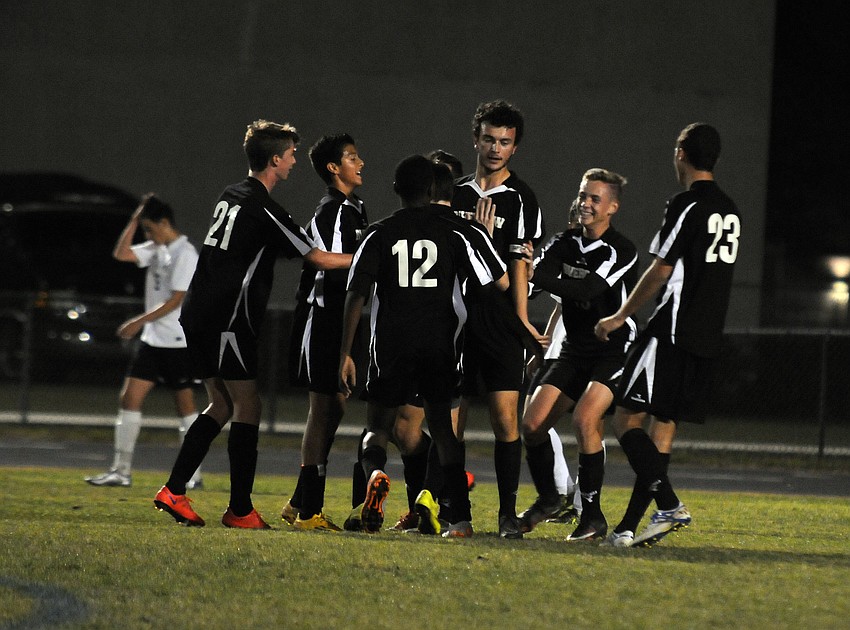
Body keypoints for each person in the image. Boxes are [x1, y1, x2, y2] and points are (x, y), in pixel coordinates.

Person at [153, 119, 351, 528]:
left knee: (222, 403)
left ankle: (174, 490)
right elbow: (317, 257)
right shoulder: (264, 207)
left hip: (197, 314)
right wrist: (368, 259)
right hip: (228, 318)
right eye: (291, 154)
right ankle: (239, 509)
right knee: (248, 404)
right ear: (275, 160)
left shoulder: (231, 195)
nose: (295, 161)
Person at [339, 156, 509, 538]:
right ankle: (458, 518)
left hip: (391, 347)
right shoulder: (456, 231)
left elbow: (356, 295)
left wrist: (345, 353)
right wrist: (521, 334)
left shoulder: (379, 233)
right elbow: (493, 287)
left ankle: (377, 473)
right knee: (444, 433)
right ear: (432, 191)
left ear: (397, 189)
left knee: (377, 428)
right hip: (439, 347)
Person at [594, 123, 741, 548]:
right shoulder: (731, 209)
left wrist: (620, 315)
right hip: (707, 335)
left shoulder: (686, 204)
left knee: (625, 419)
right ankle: (628, 528)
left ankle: (671, 504)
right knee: (662, 434)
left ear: (681, 152)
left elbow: (661, 268)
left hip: (673, 331)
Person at [520, 168, 638, 541]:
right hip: (574, 348)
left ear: (612, 207)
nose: (586, 203)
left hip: (613, 349)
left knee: (586, 420)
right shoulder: (564, 241)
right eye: (583, 195)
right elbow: (535, 285)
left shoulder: (622, 249)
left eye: (595, 199)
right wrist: (532, 274)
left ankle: (592, 515)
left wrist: (540, 274)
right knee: (532, 425)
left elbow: (587, 288)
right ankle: (549, 499)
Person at [452, 100, 546, 538]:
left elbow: (519, 271)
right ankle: (456, 513)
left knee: (505, 421)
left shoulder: (522, 198)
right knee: (449, 421)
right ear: (476, 139)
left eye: (505, 142)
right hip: (455, 321)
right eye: (489, 138)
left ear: (515, 149)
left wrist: (523, 324)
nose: (495, 148)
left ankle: (507, 515)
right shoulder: (455, 193)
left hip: (499, 324)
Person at [279, 133, 368, 532]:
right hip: (322, 317)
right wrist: (371, 258)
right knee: (323, 410)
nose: (360, 162)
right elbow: (329, 262)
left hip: (337, 319)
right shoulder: (334, 210)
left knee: (335, 407)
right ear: (334, 168)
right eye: (351, 157)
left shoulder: (352, 208)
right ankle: (309, 511)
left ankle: (299, 501)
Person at [85, 193, 201, 489]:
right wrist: (136, 219)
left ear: (165, 223)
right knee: (129, 399)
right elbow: (121, 254)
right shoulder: (156, 248)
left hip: (177, 341)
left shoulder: (185, 253)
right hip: (153, 340)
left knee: (185, 406)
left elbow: (177, 299)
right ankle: (120, 470)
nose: (148, 235)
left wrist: (138, 321)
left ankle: (192, 474)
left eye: (150, 228)